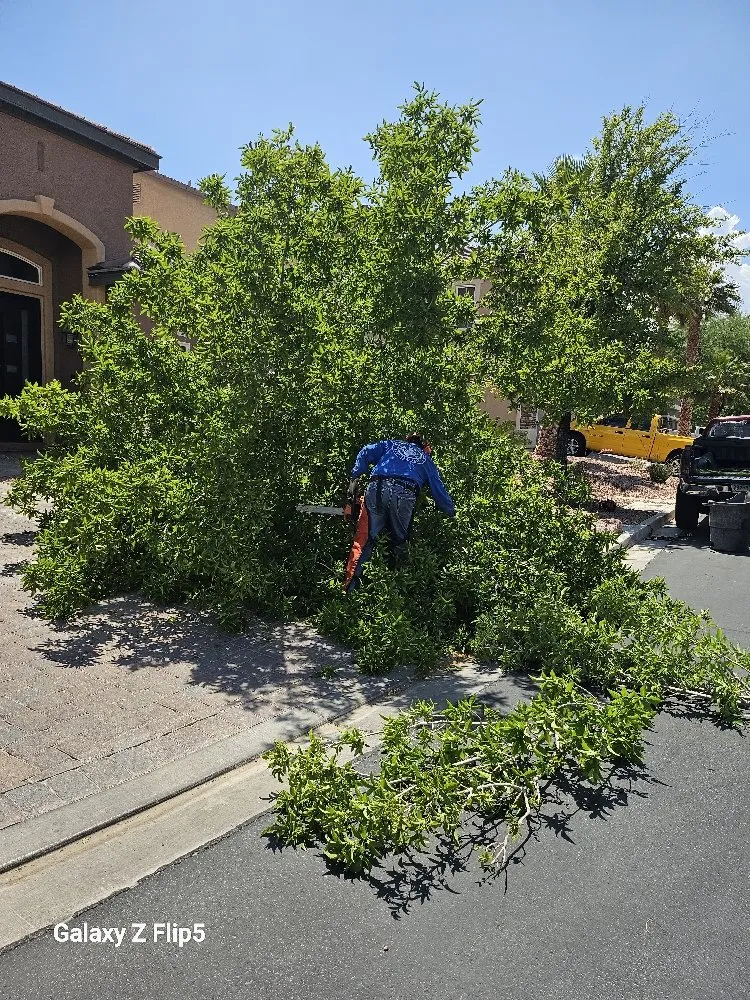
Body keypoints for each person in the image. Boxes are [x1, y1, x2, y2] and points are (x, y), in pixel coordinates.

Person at [343, 433, 456, 592]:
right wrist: (451, 513)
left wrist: (354, 481)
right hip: (405, 492)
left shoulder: (391, 445)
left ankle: (350, 591)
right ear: (424, 447)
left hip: (377, 487)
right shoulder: (425, 460)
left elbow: (366, 451)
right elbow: (440, 492)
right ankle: (396, 593)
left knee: (365, 540)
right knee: (400, 543)